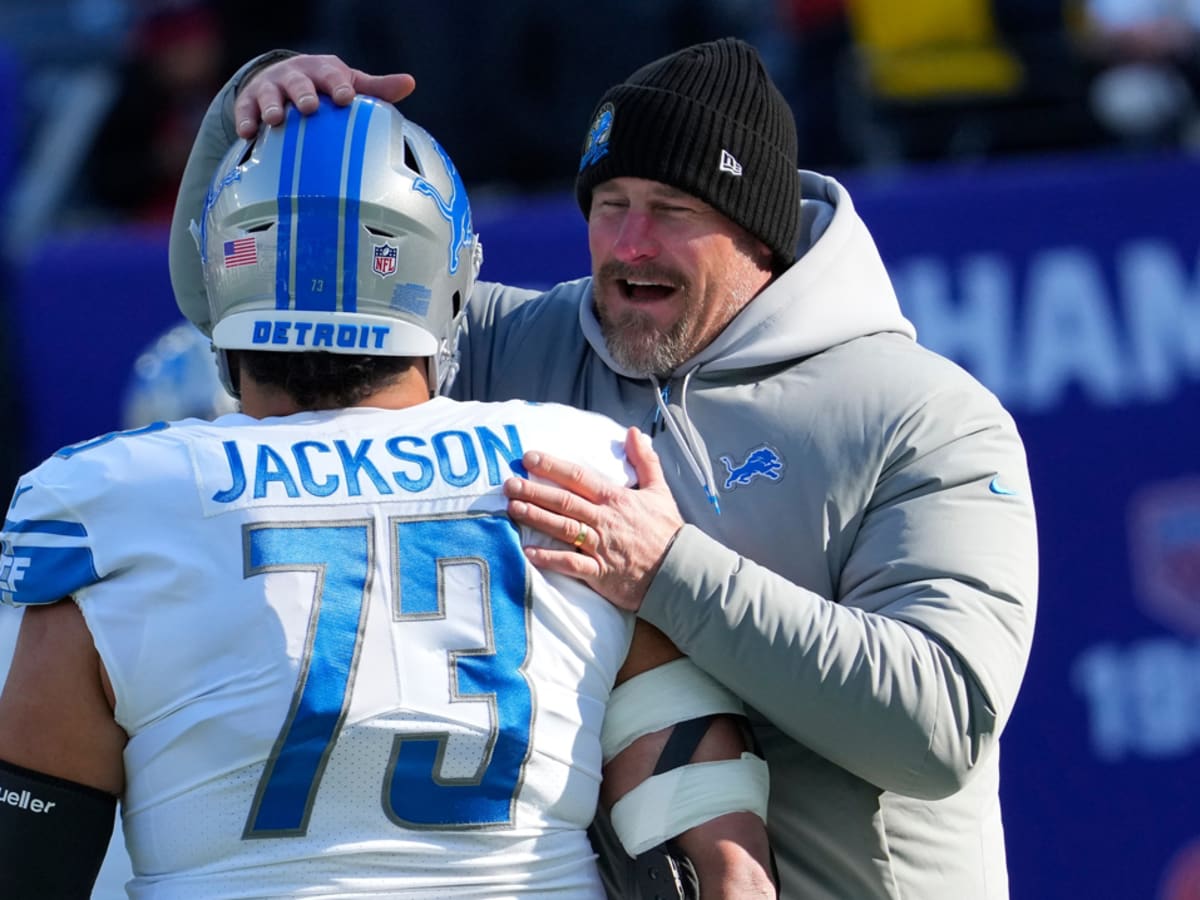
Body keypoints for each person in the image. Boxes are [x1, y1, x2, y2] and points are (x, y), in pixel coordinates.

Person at [169, 37, 1039, 900]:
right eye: (609, 202)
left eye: (673, 208)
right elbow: (255, 310)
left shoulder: (926, 415)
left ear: (761, 233)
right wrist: (258, 116)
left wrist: (667, 571)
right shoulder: (517, 346)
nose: (628, 245)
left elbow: (939, 727)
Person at [0, 96, 776, 898]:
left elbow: (28, 857)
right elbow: (722, 869)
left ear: (220, 273)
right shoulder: (580, 465)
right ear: (448, 278)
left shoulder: (108, 504)